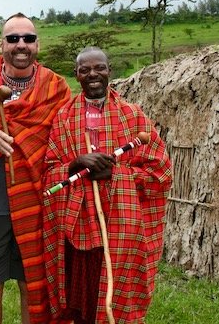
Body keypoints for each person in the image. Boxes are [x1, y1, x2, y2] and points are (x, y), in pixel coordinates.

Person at [42, 47, 173, 323]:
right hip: (77, 227)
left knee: (115, 295)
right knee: (82, 300)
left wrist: (117, 175)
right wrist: (75, 163)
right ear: (76, 75)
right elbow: (51, 172)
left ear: (109, 71)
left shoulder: (133, 116)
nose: (93, 74)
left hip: (120, 225)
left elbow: (160, 173)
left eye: (99, 68)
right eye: (85, 69)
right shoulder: (64, 117)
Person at [0, 12, 71, 323]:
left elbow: (66, 142)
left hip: (39, 201)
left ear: (37, 44)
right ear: (1, 44)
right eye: (13, 39)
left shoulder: (56, 87)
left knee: (34, 287)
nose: (21, 44)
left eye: (28, 38)